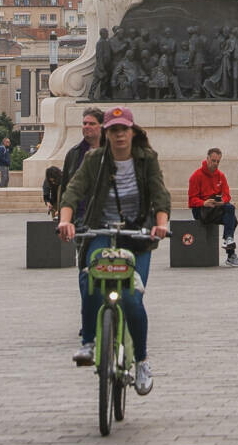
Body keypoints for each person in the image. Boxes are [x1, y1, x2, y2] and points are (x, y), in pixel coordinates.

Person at [56, 107, 171, 395]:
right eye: (114, 130)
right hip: (102, 231)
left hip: (137, 235)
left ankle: (142, 360)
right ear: (107, 134)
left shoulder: (146, 160)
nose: (119, 135)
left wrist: (160, 225)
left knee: (132, 299)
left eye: (124, 129)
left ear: (133, 132)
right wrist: (66, 221)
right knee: (89, 280)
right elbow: (73, 190)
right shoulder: (95, 159)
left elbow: (160, 195)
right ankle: (91, 341)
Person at [190, 147, 238, 266]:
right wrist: (204, 203)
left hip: (215, 208)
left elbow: (227, 195)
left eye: (218, 161)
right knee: (231, 217)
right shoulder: (196, 175)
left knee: (231, 218)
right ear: (207, 158)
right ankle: (229, 248)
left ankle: (229, 247)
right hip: (201, 210)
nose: (215, 164)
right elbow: (191, 200)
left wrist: (222, 201)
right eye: (213, 160)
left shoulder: (220, 175)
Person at [59, 107, 105, 191]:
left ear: (101, 126)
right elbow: (65, 187)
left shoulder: (111, 151)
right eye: (85, 123)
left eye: (92, 124)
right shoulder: (73, 153)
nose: (87, 126)